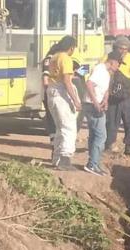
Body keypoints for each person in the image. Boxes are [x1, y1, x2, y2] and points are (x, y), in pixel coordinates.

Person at [106, 36, 130, 157]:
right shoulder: (109, 58)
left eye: (125, 49)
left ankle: (129, 147)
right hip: (113, 99)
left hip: (128, 97)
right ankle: (108, 145)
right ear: (115, 48)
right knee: (111, 123)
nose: (123, 51)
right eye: (120, 48)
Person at [83, 51, 121, 176]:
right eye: (118, 64)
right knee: (101, 136)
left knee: (95, 134)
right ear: (112, 62)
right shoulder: (100, 70)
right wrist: (95, 102)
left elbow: (105, 89)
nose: (118, 67)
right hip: (92, 105)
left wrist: (105, 100)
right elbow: (89, 84)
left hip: (98, 104)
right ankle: (92, 164)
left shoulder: (107, 73)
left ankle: (94, 162)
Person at [46, 36, 80, 170]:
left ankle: (57, 159)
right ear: (71, 47)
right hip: (60, 94)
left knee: (60, 128)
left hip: (52, 92)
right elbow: (67, 81)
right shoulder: (65, 58)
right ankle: (65, 159)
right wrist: (76, 100)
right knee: (68, 127)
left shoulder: (54, 56)